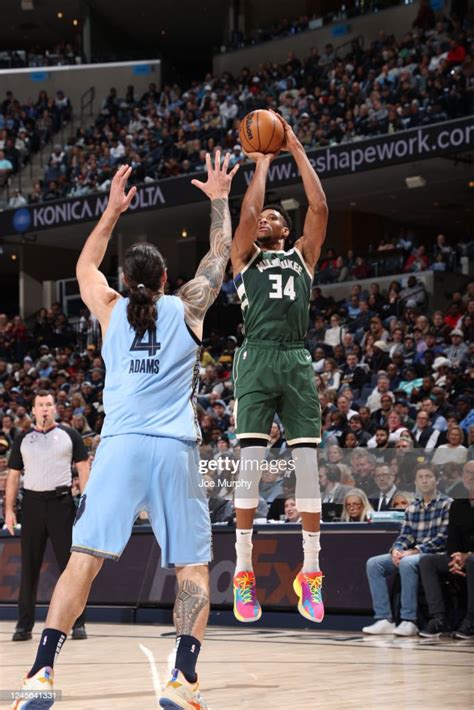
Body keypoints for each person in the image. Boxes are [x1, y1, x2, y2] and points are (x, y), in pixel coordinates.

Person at [12, 155, 238, 710]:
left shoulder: (110, 307)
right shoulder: (188, 307)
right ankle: (182, 679)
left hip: (119, 446)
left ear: (126, 281)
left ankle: (41, 672)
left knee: (82, 562)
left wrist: (111, 211)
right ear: (165, 280)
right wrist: (218, 198)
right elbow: (219, 255)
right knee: (190, 566)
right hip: (173, 449)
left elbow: (83, 265)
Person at [231, 110, 328, 624]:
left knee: (307, 468)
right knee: (249, 465)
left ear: (286, 230)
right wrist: (260, 165)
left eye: (274, 216)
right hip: (256, 355)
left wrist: (292, 145)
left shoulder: (303, 257)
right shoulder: (244, 258)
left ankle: (310, 572)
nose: (265, 217)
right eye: (263, 215)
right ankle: (244, 573)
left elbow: (319, 204)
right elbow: (245, 218)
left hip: (295, 358)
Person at [5, 391, 90, 642]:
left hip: (61, 504)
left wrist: (87, 502)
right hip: (31, 504)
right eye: (40, 405)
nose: (44, 409)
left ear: (55, 408)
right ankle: (24, 625)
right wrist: (9, 510)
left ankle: (78, 623)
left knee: (71, 568)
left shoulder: (69, 435)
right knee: (29, 568)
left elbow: (84, 467)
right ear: (33, 410)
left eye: (48, 404)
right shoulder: (23, 438)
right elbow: (12, 476)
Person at [363, 464, 451, 637]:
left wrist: (416, 550)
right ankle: (384, 619)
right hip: (411, 553)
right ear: (415, 481)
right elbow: (406, 535)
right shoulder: (413, 507)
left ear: (437, 480)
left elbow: (444, 537)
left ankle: (409, 620)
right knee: (374, 564)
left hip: (434, 555)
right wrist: (396, 549)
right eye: (420, 477)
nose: (424, 480)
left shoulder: (447, 504)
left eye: (428, 476)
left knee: (407, 562)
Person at [419, 460, 474, 639]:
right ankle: (439, 618)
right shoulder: (458, 505)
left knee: (473, 561)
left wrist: (468, 556)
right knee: (427, 561)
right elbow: (452, 540)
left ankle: (471, 620)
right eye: (467, 472)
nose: (471, 476)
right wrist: (455, 558)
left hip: (471, 559)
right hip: (462, 559)